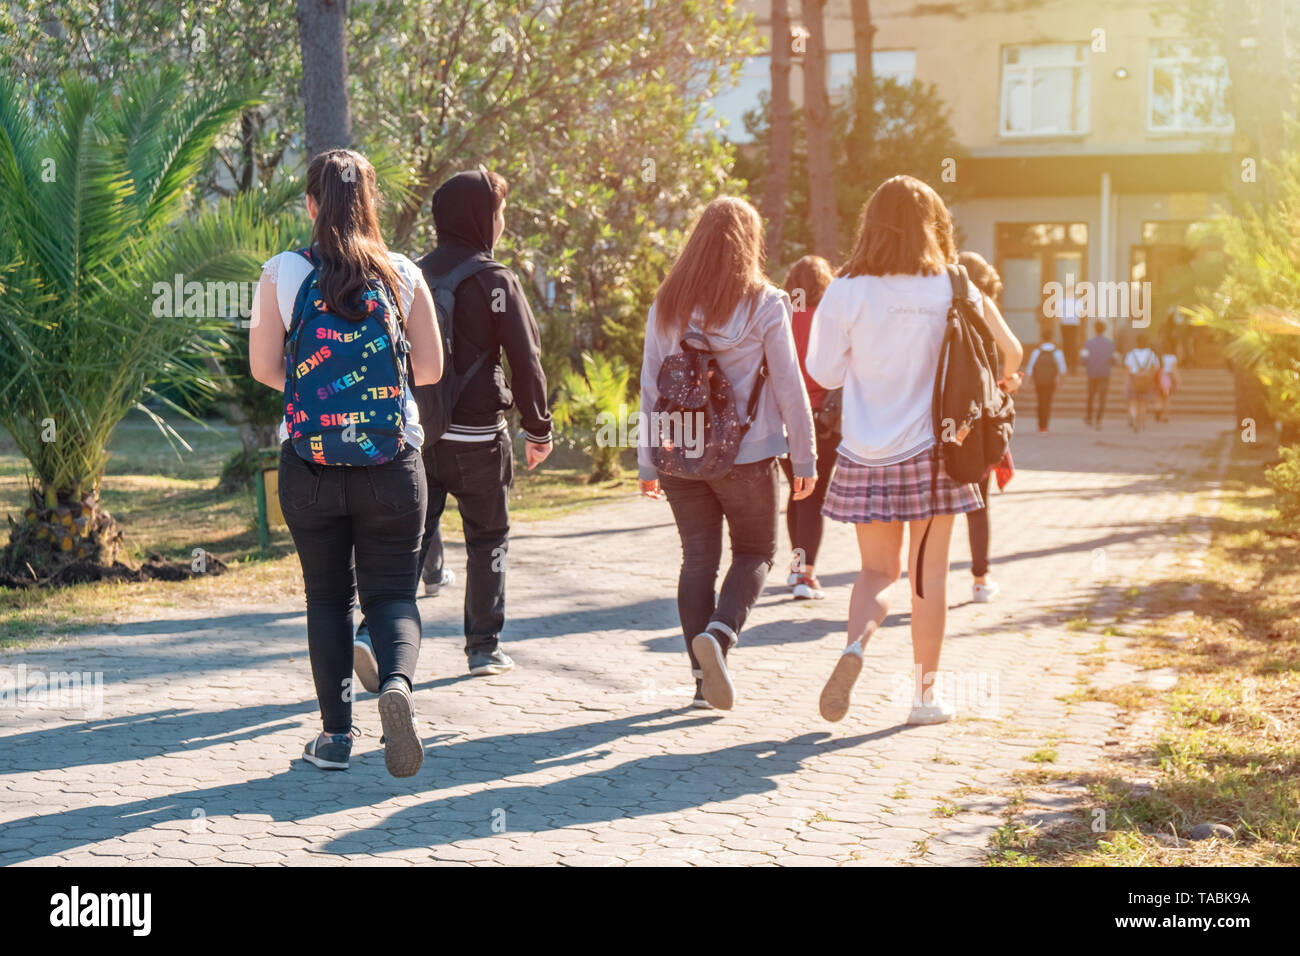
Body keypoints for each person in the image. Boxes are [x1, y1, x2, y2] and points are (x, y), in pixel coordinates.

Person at [249, 148, 443, 777]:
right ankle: (396, 687)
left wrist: (320, 395)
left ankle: (335, 738)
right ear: (371, 203)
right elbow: (433, 369)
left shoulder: (281, 271)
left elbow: (265, 370)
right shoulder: (403, 273)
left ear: (311, 205)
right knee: (391, 595)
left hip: (309, 465)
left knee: (327, 600)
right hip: (392, 465)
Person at [806, 175, 1020, 726]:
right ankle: (924, 699)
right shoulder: (952, 283)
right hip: (937, 453)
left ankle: (855, 647)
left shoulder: (847, 288)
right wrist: (1004, 381)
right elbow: (1010, 349)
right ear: (934, 225)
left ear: (871, 224)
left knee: (876, 573)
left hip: (865, 450)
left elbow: (823, 371)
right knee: (928, 580)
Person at [360, 169, 553, 680]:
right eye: (499, 212)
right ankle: (483, 646)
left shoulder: (408, 274)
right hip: (479, 441)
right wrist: (539, 430)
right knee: (488, 538)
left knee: (412, 539)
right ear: (482, 217)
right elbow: (526, 359)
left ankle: (371, 634)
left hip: (418, 437)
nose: (503, 222)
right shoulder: (497, 281)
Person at [638, 197, 817, 712]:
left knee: (697, 559)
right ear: (751, 243)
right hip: (747, 456)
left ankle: (700, 682)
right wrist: (803, 459)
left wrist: (647, 461)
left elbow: (650, 386)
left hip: (679, 453)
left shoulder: (667, 302)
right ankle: (718, 636)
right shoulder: (765, 302)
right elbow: (789, 385)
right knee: (756, 551)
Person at [956, 251, 1023, 604]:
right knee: (978, 504)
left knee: (931, 507)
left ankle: (923, 587)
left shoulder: (933, 298)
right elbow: (1013, 350)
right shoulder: (978, 300)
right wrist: (1008, 381)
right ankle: (981, 580)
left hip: (934, 416)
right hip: (977, 420)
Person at [779, 255, 840, 601]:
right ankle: (806, 576)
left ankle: (796, 567)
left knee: (796, 491)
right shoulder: (828, 320)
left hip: (785, 419)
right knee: (813, 495)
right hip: (824, 419)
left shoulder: (783, 317)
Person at [1025, 327, 1066, 434]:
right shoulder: (1057, 352)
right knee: (1047, 402)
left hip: (1039, 381)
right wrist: (1061, 381)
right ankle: (1045, 426)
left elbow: (1030, 367)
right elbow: (1062, 368)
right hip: (1050, 381)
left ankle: (1040, 425)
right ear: (1052, 338)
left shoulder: (1037, 351)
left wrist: (1027, 382)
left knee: (1040, 401)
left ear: (1042, 338)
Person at [1081, 320, 1117, 429]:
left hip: (1092, 372)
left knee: (1091, 396)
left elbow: (1083, 359)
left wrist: (1087, 365)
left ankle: (1089, 417)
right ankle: (1099, 420)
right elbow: (1114, 359)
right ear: (1104, 330)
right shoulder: (1110, 344)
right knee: (1102, 397)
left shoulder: (1088, 343)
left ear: (1094, 329)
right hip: (1105, 372)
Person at [1125, 332, 1161, 433]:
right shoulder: (1152, 354)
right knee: (1144, 404)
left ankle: (1133, 418)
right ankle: (1142, 424)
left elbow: (1127, 370)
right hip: (1147, 382)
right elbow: (1155, 369)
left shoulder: (1131, 354)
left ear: (1137, 342)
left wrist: (1127, 381)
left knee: (1133, 403)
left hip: (1133, 380)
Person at [1156, 330, 1180, 423]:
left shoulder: (1159, 357)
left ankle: (1158, 408)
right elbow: (1174, 371)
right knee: (1167, 399)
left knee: (1159, 397)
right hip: (1168, 379)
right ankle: (1166, 416)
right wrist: (1178, 381)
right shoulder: (1172, 358)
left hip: (1160, 377)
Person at [1059, 278, 1082, 374]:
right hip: (1072, 325)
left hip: (1066, 325)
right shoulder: (1077, 301)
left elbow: (1057, 314)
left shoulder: (1062, 301)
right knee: (1073, 345)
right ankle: (1072, 366)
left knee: (1067, 345)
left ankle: (1069, 366)